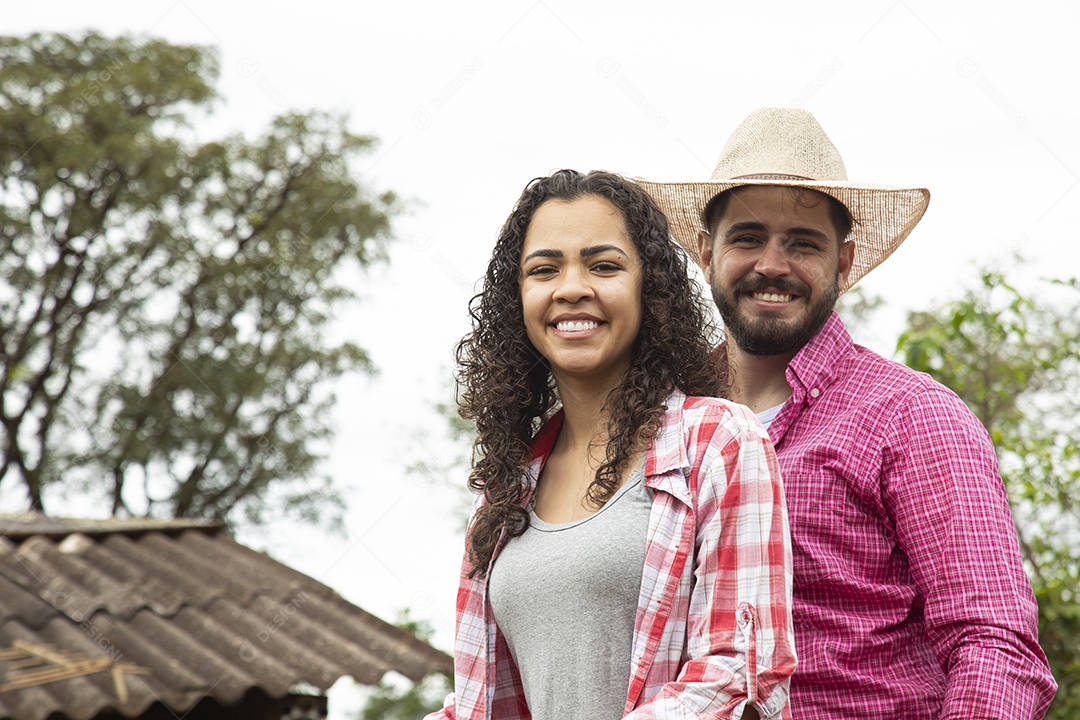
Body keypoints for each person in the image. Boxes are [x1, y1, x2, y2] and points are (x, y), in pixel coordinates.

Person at [636, 107, 1058, 719]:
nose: (772, 265)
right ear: (705, 251)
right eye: (748, 237)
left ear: (844, 261)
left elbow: (995, 647)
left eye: (802, 244)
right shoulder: (658, 422)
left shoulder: (913, 417)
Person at [427, 169, 796, 720]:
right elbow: (483, 700)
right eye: (544, 269)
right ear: (518, 298)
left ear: (651, 290)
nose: (571, 287)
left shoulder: (720, 442)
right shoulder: (505, 496)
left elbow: (740, 673)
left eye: (603, 266)